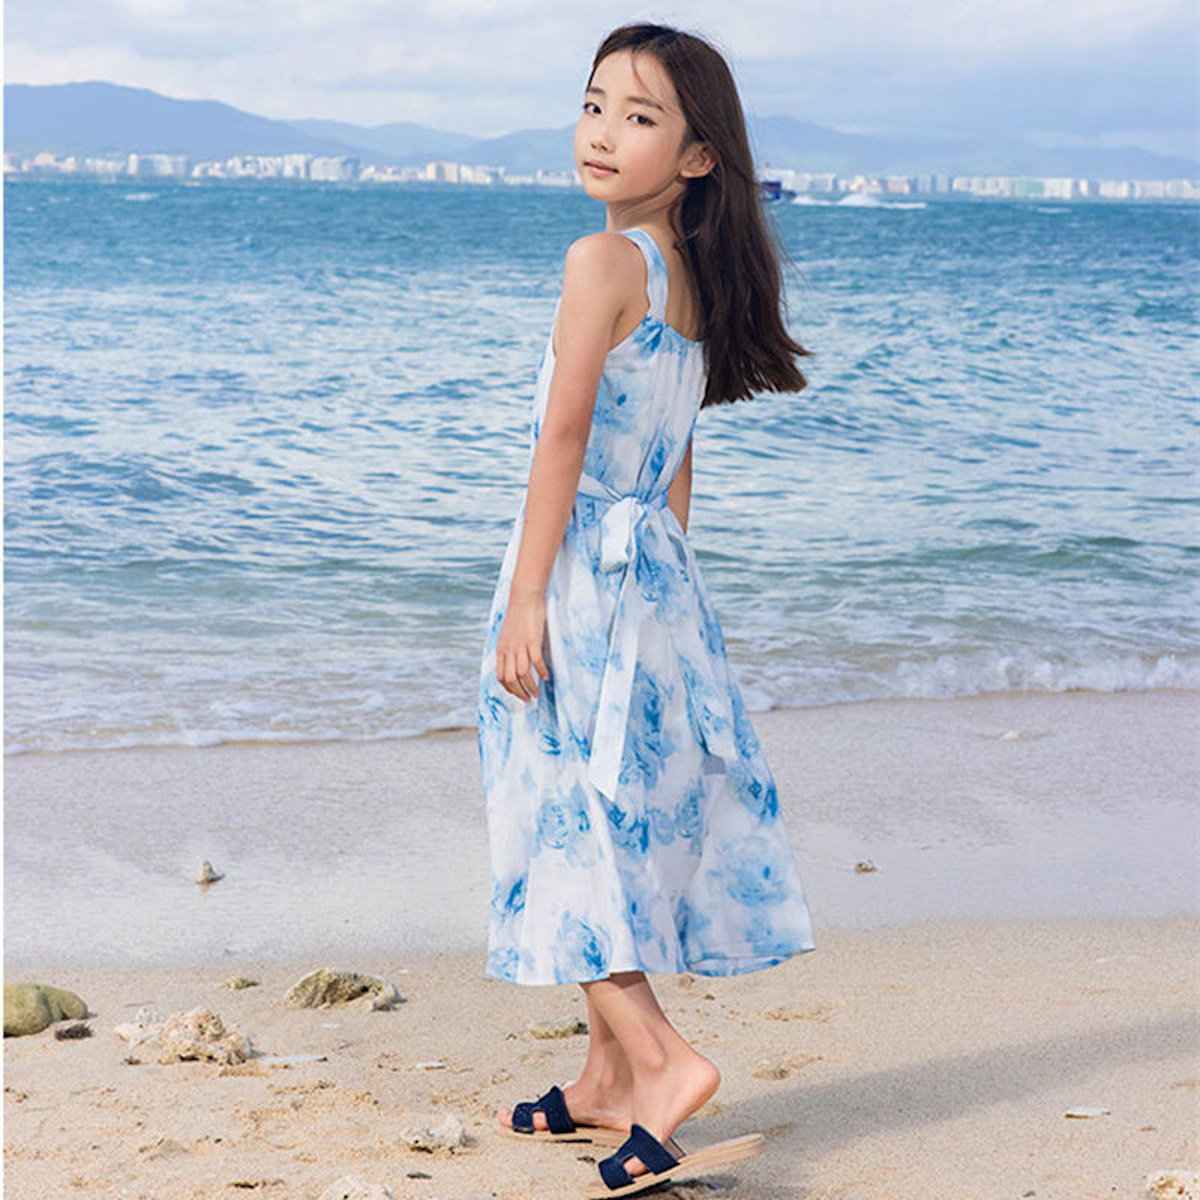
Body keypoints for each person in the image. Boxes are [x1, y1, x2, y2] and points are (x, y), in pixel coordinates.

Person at [476, 21, 817, 1198]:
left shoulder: (601, 262)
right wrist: (660, 589)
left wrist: (530, 599)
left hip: (579, 576)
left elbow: (563, 435)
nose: (603, 132)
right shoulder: (691, 278)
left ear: (699, 154)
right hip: (651, 575)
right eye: (593, 105)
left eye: (638, 116)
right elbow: (674, 461)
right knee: (603, 817)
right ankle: (605, 1076)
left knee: (562, 828)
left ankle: (663, 1065)